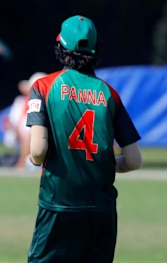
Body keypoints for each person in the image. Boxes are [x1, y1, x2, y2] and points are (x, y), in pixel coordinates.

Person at [26, 15, 142, 263]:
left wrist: (33, 158)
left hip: (59, 204)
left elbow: (38, 150)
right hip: (101, 209)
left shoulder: (44, 86)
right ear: (96, 50)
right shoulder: (110, 94)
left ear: (60, 47)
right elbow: (134, 160)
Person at [4, 72, 46, 170]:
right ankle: (23, 161)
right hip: (19, 136)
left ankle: (23, 162)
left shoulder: (45, 103)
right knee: (28, 131)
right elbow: (10, 122)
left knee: (29, 132)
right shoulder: (21, 101)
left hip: (35, 138)